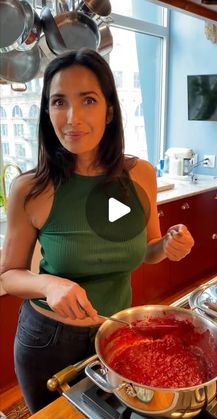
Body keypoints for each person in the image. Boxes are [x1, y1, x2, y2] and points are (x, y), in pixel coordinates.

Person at [0, 48, 194, 414]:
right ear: (47, 110)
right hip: (47, 340)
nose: (72, 117)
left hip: (116, 331)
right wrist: (49, 284)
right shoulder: (31, 188)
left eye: (87, 99)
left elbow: (149, 248)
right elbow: (8, 275)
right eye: (59, 101)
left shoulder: (140, 175)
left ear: (108, 109)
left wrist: (168, 245)